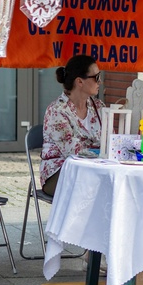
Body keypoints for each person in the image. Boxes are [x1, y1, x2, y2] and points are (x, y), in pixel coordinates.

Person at [40, 55, 106, 196]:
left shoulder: (99, 107)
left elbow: (110, 141)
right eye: (97, 77)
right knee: (94, 187)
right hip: (60, 171)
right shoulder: (57, 110)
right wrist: (101, 151)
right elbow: (73, 152)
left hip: (95, 170)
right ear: (80, 81)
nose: (100, 81)